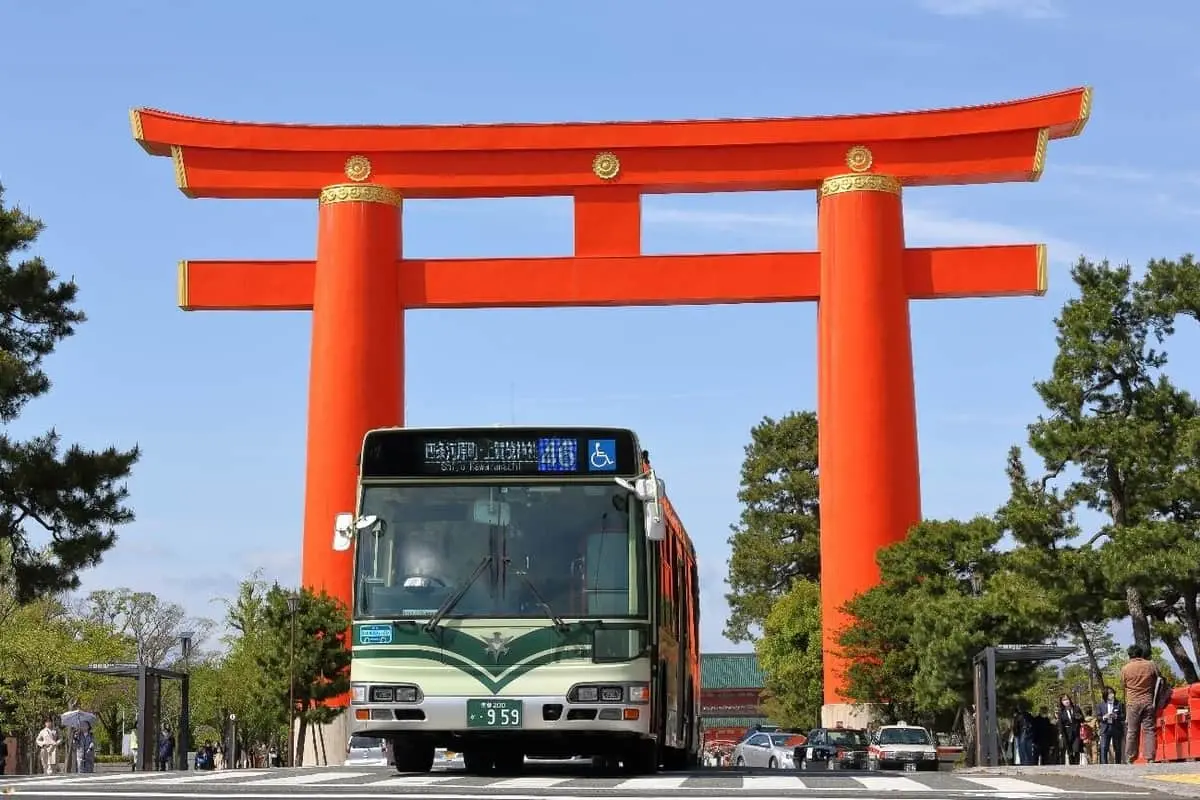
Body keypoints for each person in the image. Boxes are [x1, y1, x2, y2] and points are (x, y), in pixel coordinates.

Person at [1121, 644, 1160, 763]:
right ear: (1141, 654)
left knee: (1132, 731)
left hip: (1132, 702)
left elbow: (1123, 685)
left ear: (1129, 655)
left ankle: (1130, 757)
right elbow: (1159, 678)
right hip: (1148, 701)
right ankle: (1150, 757)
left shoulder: (1125, 668)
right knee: (1149, 730)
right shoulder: (1150, 665)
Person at [1097, 686, 1125, 764]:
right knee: (1104, 747)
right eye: (1109, 693)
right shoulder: (1100, 705)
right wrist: (1104, 717)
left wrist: (1116, 716)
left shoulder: (1119, 704)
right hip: (1105, 728)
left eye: (1112, 693)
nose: (1111, 695)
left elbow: (1123, 716)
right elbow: (1098, 717)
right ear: (1105, 695)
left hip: (1116, 728)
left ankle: (1118, 764)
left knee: (1117, 748)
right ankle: (1104, 765)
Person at [1056, 694, 1085, 765]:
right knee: (1070, 751)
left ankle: (1077, 763)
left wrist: (1079, 717)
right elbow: (1060, 724)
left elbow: (1082, 719)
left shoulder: (1076, 708)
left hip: (1076, 732)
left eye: (1067, 699)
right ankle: (1072, 765)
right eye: (1064, 700)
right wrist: (1060, 733)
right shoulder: (1061, 712)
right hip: (1066, 733)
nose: (1066, 701)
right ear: (1061, 702)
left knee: (1076, 749)